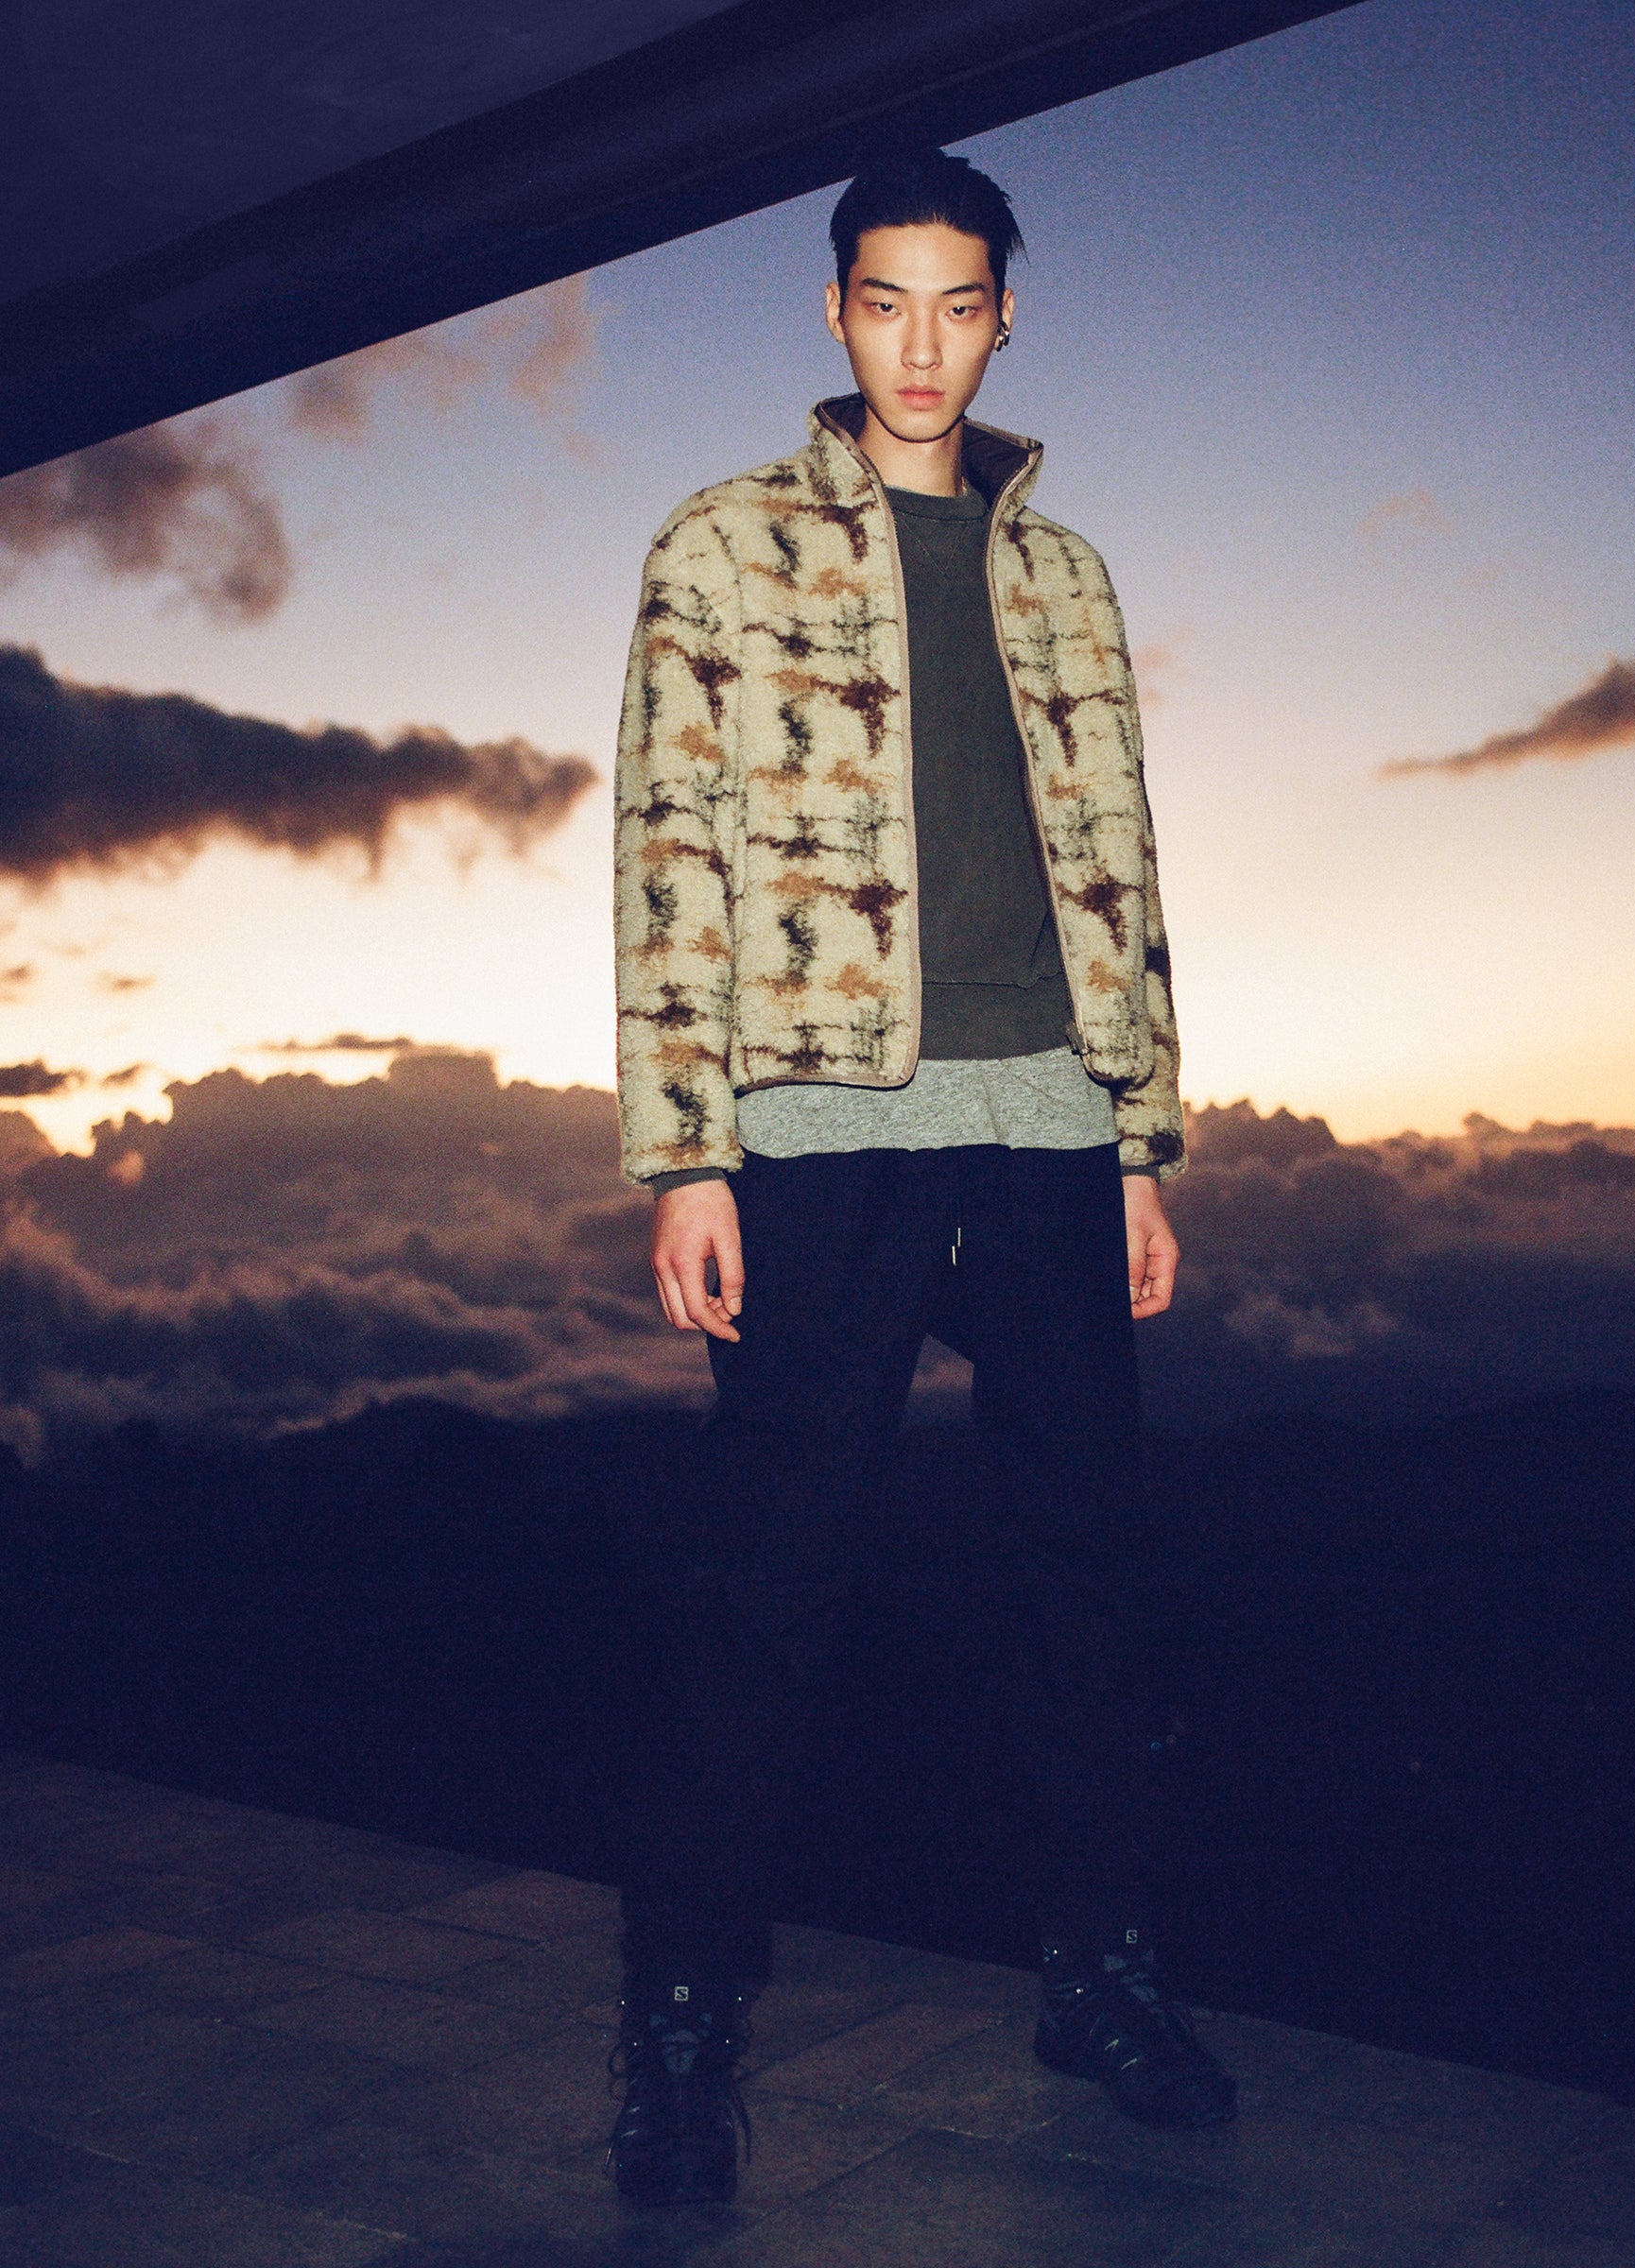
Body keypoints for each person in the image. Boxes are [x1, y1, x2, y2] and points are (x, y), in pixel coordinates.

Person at [608, 144, 1232, 2208]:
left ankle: (1102, 1981)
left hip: (1051, 1119)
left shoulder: (1071, 578)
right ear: (835, 311)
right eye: (885, 301)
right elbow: (667, 847)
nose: (920, 345)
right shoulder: (722, 546)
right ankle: (681, 2038)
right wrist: (687, 1153)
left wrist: (1139, 1136)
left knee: (1091, 1583)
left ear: (1005, 318)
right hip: (817, 1131)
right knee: (766, 1595)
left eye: (959, 305)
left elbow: (1126, 867)